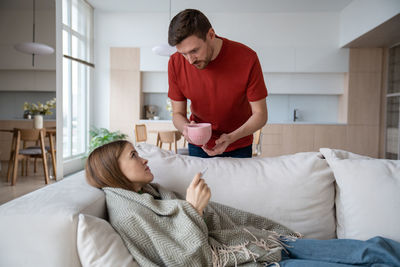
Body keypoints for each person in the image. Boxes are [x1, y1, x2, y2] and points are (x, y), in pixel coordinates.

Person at [85, 140, 400, 267]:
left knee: (371, 248)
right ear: (115, 171)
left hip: (264, 244)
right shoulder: (128, 214)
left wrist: (195, 211)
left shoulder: (153, 193)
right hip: (248, 261)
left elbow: (220, 219)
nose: (142, 158)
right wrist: (193, 210)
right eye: (133, 156)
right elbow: (182, 261)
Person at [167, 9, 268, 158]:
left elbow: (260, 114)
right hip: (198, 146)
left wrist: (231, 137)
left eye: (194, 50)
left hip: (238, 144)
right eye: (183, 53)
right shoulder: (175, 63)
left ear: (211, 35)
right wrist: (185, 128)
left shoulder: (247, 58)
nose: (190, 60)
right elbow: (177, 113)